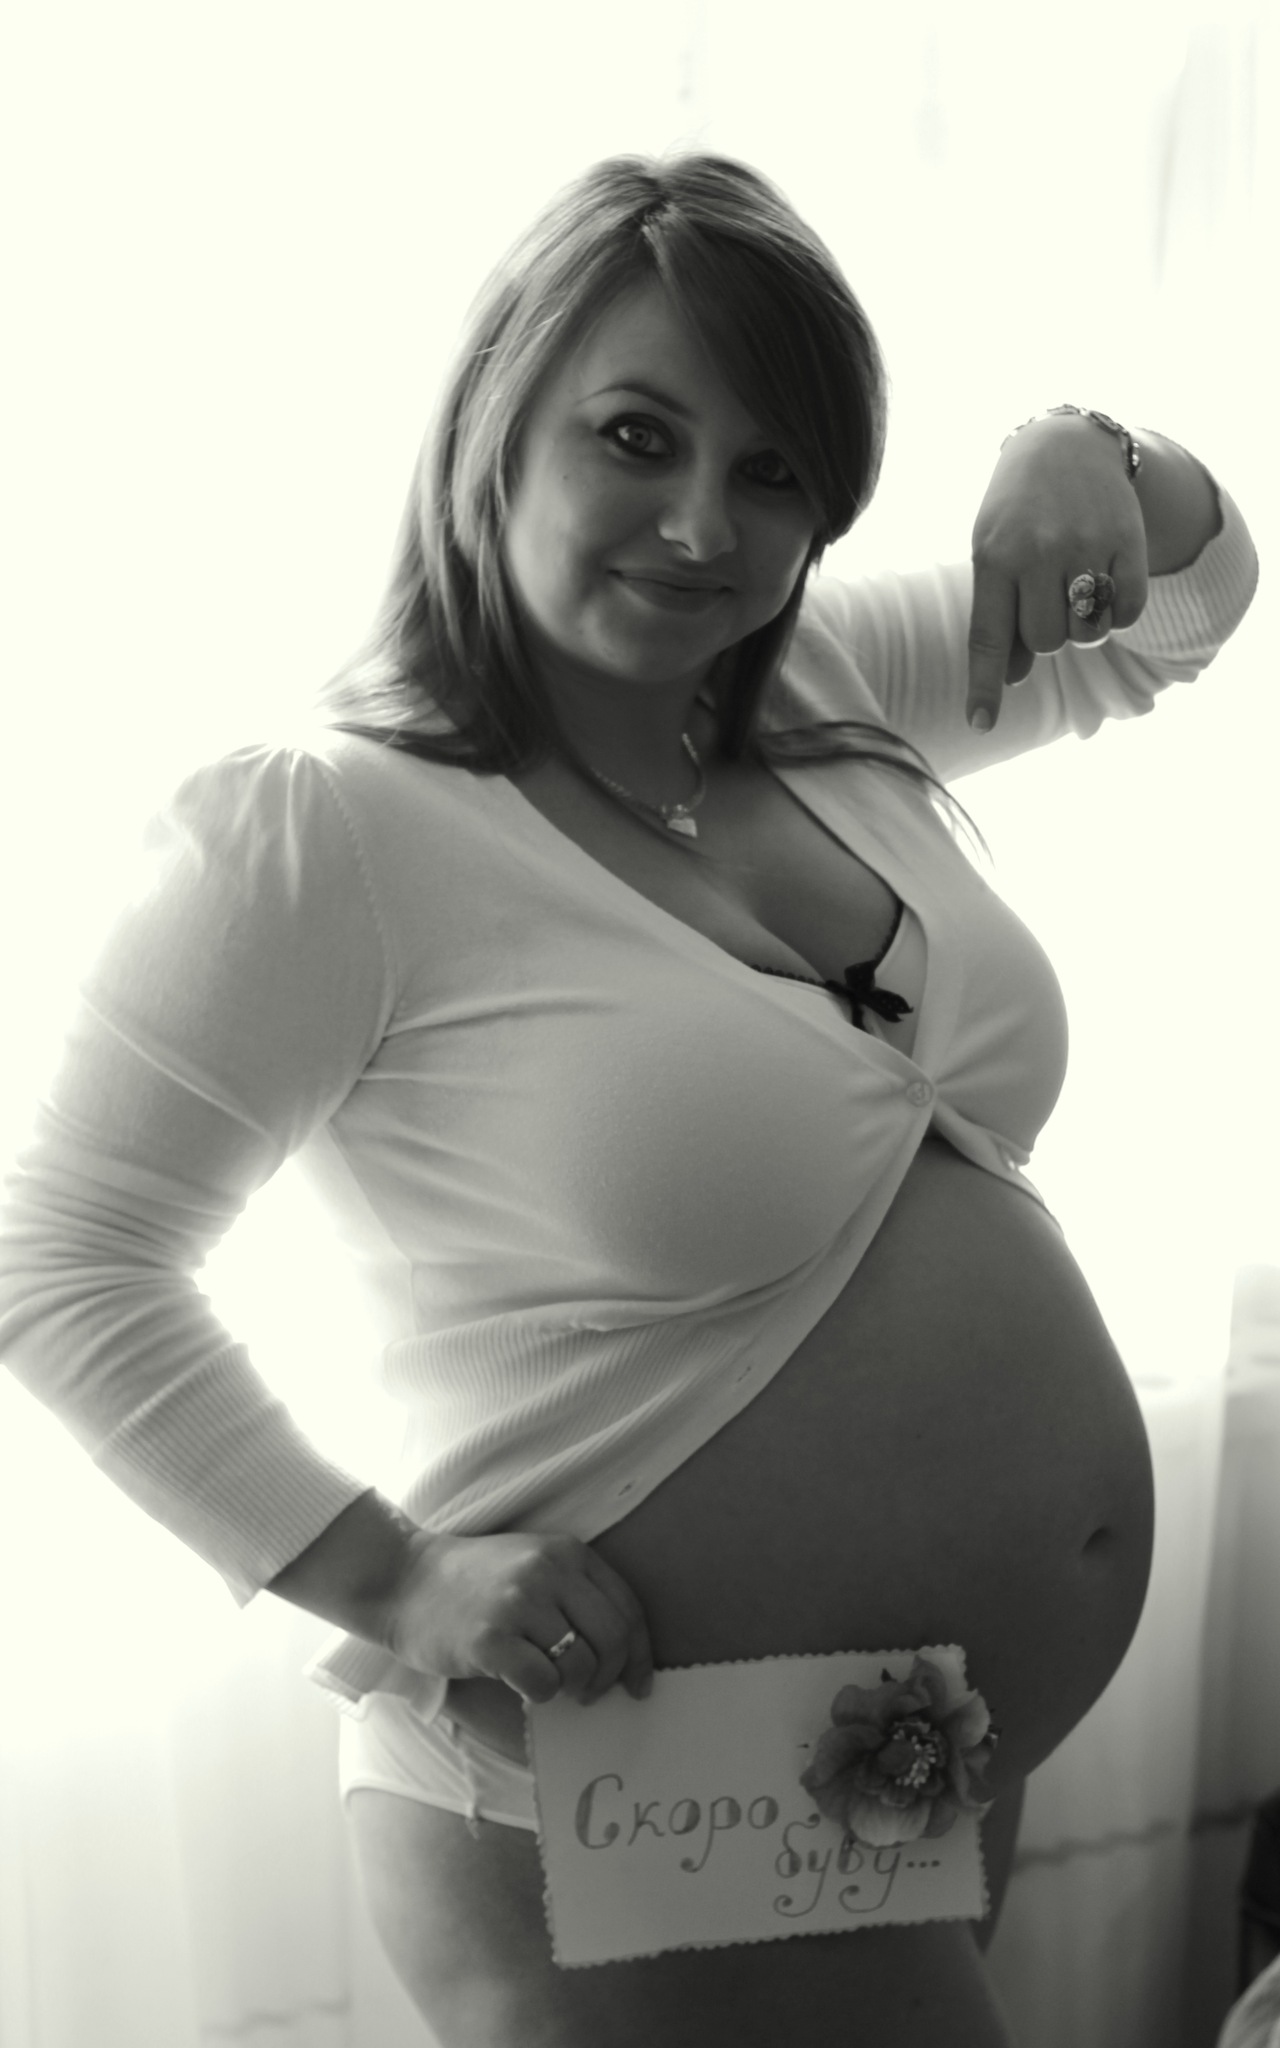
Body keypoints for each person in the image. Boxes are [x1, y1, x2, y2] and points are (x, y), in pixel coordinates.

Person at [0, 151, 1258, 2047]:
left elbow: (1181, 613)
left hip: (890, 1750)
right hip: (633, 1777)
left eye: (773, 471)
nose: (701, 528)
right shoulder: (320, 826)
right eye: (636, 437)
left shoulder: (811, 680)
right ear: (495, 424)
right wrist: (390, 1580)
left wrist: (1082, 445)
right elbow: (62, 1255)